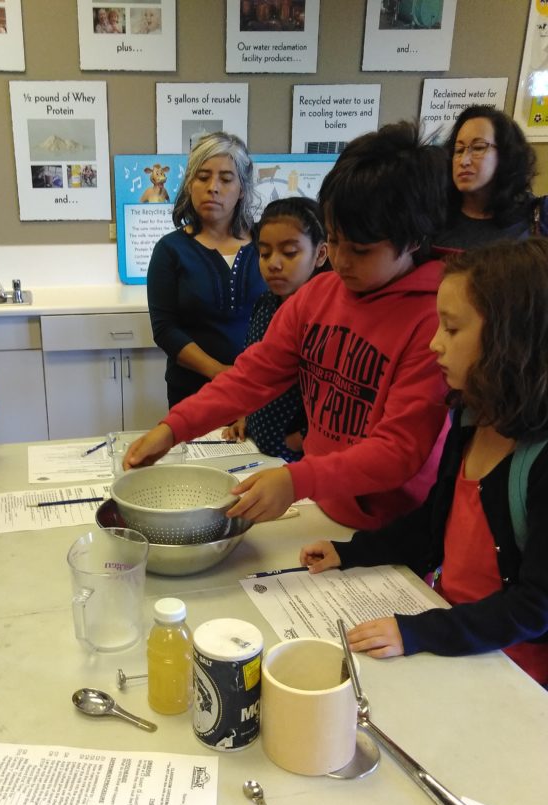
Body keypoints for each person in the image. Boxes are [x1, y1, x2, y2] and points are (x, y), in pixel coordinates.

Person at [126, 122, 449, 532]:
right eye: (335, 241)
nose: (341, 261)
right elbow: (251, 376)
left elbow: (400, 450)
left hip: (391, 530)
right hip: (322, 505)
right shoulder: (318, 297)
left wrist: (297, 479)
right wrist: (174, 428)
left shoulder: (435, 320)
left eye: (361, 250)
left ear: (413, 239)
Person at [300, 239, 548, 686]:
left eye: (452, 330)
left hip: (510, 667)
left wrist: (418, 631)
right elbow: (436, 519)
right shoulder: (472, 417)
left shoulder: (540, 461)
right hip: (454, 631)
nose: (434, 344)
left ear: (511, 339)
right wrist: (352, 552)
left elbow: (534, 607)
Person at [146, 131, 265, 407]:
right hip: (192, 394)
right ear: (190, 184)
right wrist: (219, 372)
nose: (213, 187)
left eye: (226, 179)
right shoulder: (170, 250)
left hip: (261, 391)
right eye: (203, 177)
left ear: (242, 188)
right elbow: (165, 329)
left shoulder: (267, 243)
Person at [221, 196, 328, 461]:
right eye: (265, 253)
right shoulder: (265, 304)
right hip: (256, 450)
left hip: (299, 460)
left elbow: (327, 395)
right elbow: (253, 371)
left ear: (321, 254)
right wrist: (244, 416)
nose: (273, 264)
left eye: (290, 253)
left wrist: (301, 436)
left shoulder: (325, 316)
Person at [434, 105, 547, 253]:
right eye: (459, 150)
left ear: (506, 155)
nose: (464, 161)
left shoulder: (538, 215)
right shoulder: (434, 216)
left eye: (478, 148)